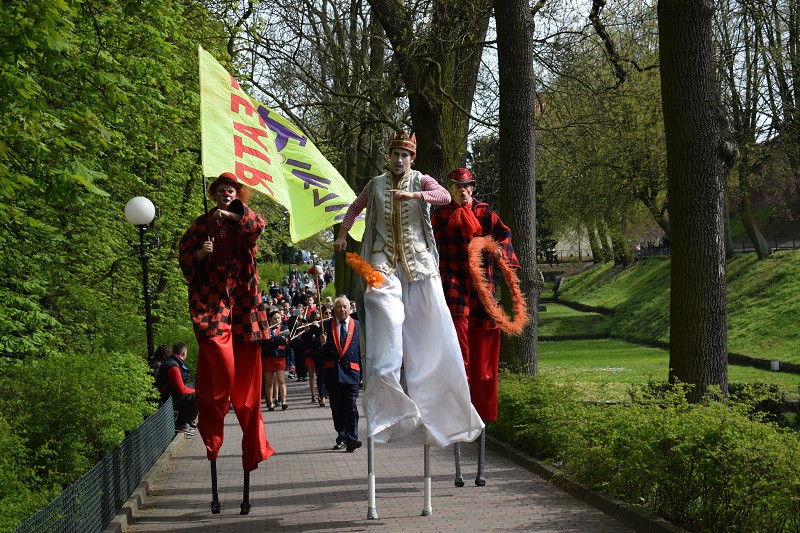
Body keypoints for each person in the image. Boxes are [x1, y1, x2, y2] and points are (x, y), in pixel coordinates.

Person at [334, 131, 483, 447]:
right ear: (389, 156)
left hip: (419, 267)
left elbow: (444, 197)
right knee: (386, 321)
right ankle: (390, 398)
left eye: (405, 155)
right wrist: (343, 234)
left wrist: (414, 196)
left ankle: (434, 405)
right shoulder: (375, 184)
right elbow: (355, 207)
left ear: (412, 158)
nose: (399, 160)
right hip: (383, 265)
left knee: (428, 337)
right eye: (395, 154)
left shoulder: (421, 180)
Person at [178, 172, 273, 513]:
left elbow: (256, 228)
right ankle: (212, 443)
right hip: (214, 308)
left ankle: (250, 455)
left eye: (231, 190)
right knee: (217, 385)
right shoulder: (201, 225)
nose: (226, 193)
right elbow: (184, 257)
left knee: (247, 398)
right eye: (221, 190)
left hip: (245, 312)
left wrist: (230, 216)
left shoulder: (245, 218)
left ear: (237, 194)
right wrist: (200, 255)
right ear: (214, 193)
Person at [431, 167, 521, 486]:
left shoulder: (485, 213)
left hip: (483, 290)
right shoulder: (440, 215)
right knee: (457, 342)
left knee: (483, 355)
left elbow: (504, 237)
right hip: (454, 286)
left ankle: (480, 398)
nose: (463, 191)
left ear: (473, 188)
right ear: (451, 190)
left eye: (467, 186)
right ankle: (458, 381)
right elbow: (429, 247)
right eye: (458, 187)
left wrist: (498, 253)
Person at [319, 295, 362, 452]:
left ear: (350, 309)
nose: (342, 309)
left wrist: (364, 374)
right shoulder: (325, 326)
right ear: (334, 309)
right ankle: (342, 437)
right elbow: (318, 354)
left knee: (351, 406)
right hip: (333, 372)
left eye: (345, 307)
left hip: (352, 372)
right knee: (337, 407)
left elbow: (362, 350)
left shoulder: (357, 325)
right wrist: (321, 344)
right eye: (339, 307)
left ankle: (352, 438)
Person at [154, 342, 199, 435]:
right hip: (167, 400)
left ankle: (185, 423)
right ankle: (182, 424)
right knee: (198, 397)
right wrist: (198, 391)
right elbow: (181, 390)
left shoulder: (171, 362)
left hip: (167, 398)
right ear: (183, 353)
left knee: (194, 395)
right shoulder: (173, 366)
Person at [262, 310, 289, 410]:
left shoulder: (284, 327)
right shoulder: (266, 328)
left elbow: (282, 340)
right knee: (268, 381)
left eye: (278, 318)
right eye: (275, 319)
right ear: (270, 320)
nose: (277, 320)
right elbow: (263, 341)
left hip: (280, 356)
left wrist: (271, 338)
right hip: (268, 356)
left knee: (281, 379)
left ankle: (284, 401)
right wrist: (273, 338)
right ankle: (270, 403)